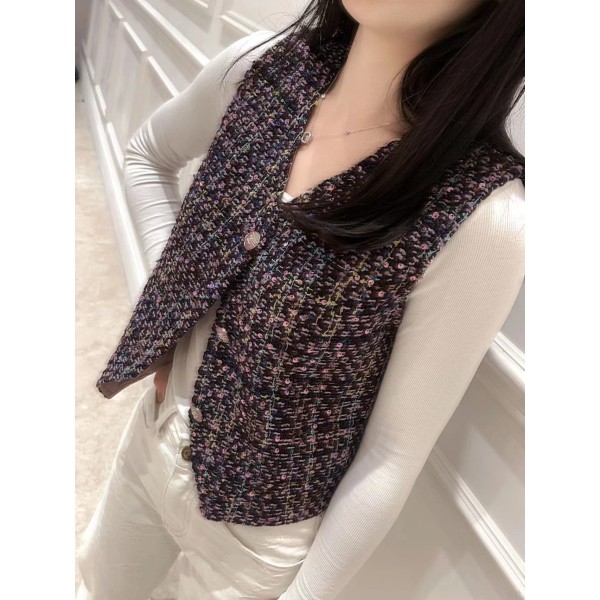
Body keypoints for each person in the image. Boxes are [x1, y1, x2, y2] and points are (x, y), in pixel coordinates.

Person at [76, 1, 525, 599]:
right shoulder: (261, 70)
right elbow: (148, 155)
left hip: (257, 539)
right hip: (152, 439)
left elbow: (392, 455)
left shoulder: (483, 213)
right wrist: (169, 311)